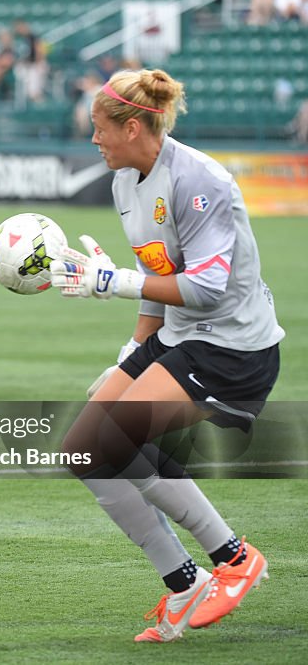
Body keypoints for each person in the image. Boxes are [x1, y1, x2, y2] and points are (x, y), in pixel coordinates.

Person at [49, 69, 283, 643]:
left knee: (117, 440)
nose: (94, 141)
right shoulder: (125, 179)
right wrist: (131, 352)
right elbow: (158, 278)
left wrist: (112, 280)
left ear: (133, 126)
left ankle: (234, 558)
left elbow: (205, 287)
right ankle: (185, 583)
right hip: (179, 337)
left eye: (100, 130)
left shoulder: (200, 180)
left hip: (232, 347)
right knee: (83, 450)